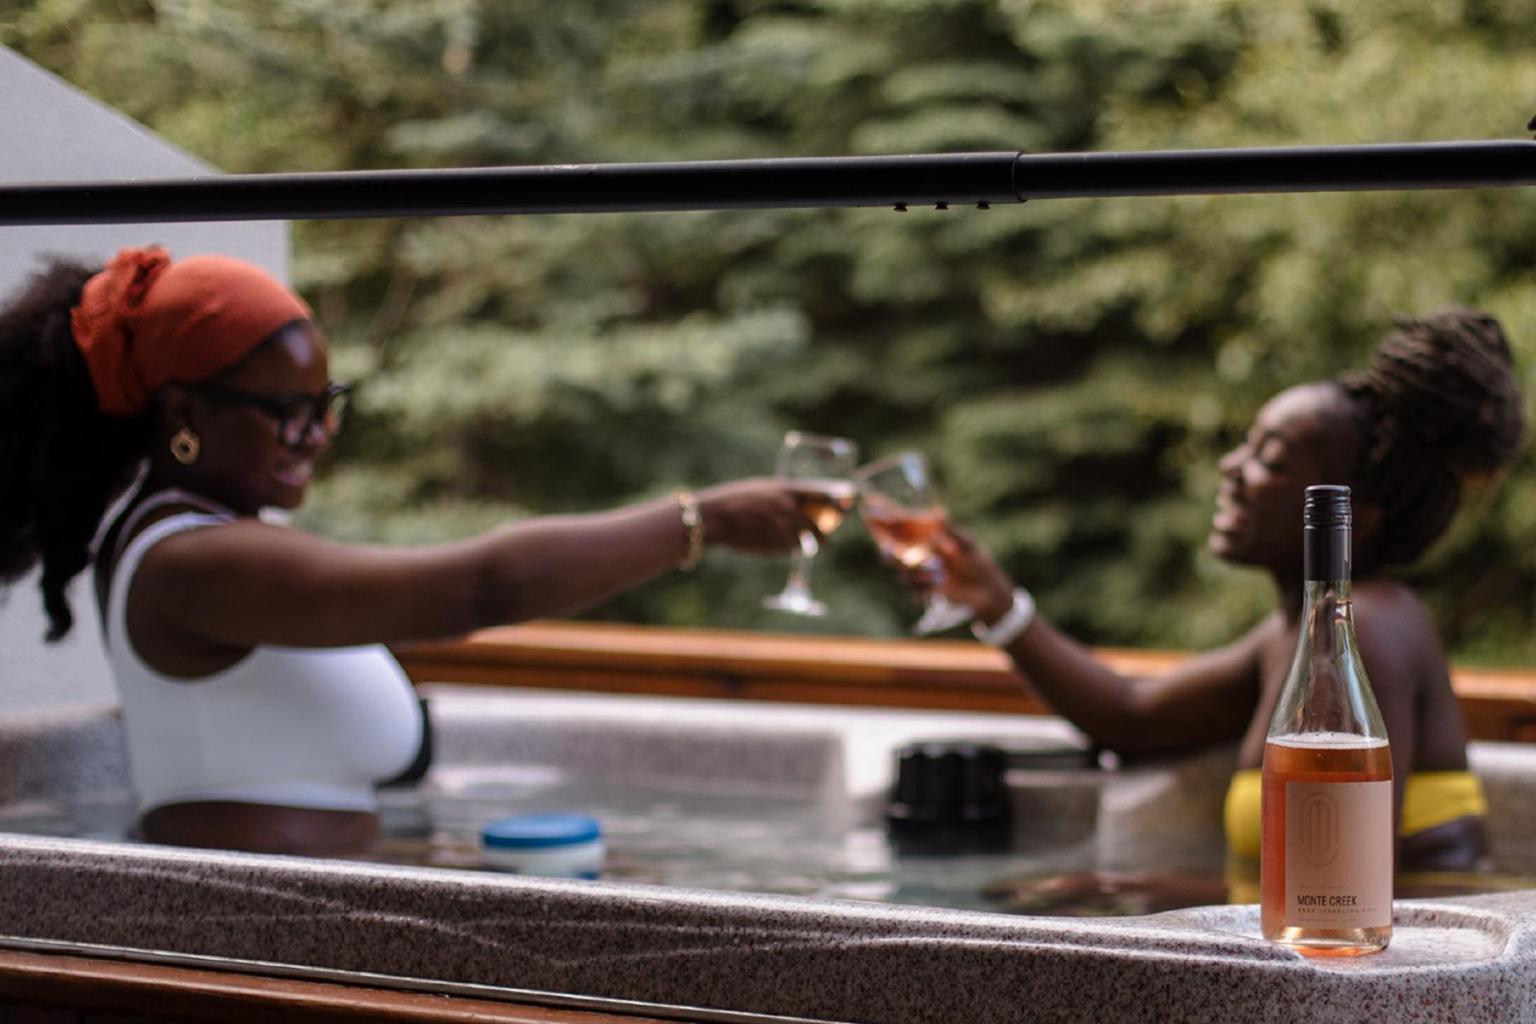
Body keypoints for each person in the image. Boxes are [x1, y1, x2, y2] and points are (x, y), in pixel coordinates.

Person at [0, 246, 827, 856]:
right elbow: (482, 589)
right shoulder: (191, 565)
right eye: (288, 410)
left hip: (287, 926)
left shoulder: (207, 541)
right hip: (253, 948)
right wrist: (699, 521)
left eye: (327, 403)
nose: (317, 435)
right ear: (184, 414)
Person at [907, 308, 1524, 874]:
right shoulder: (1293, 636)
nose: (1232, 467)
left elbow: (1342, 879)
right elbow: (1131, 717)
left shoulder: (1369, 626)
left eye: (1271, 459)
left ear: (1351, 515)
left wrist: (1128, 902)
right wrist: (995, 604)